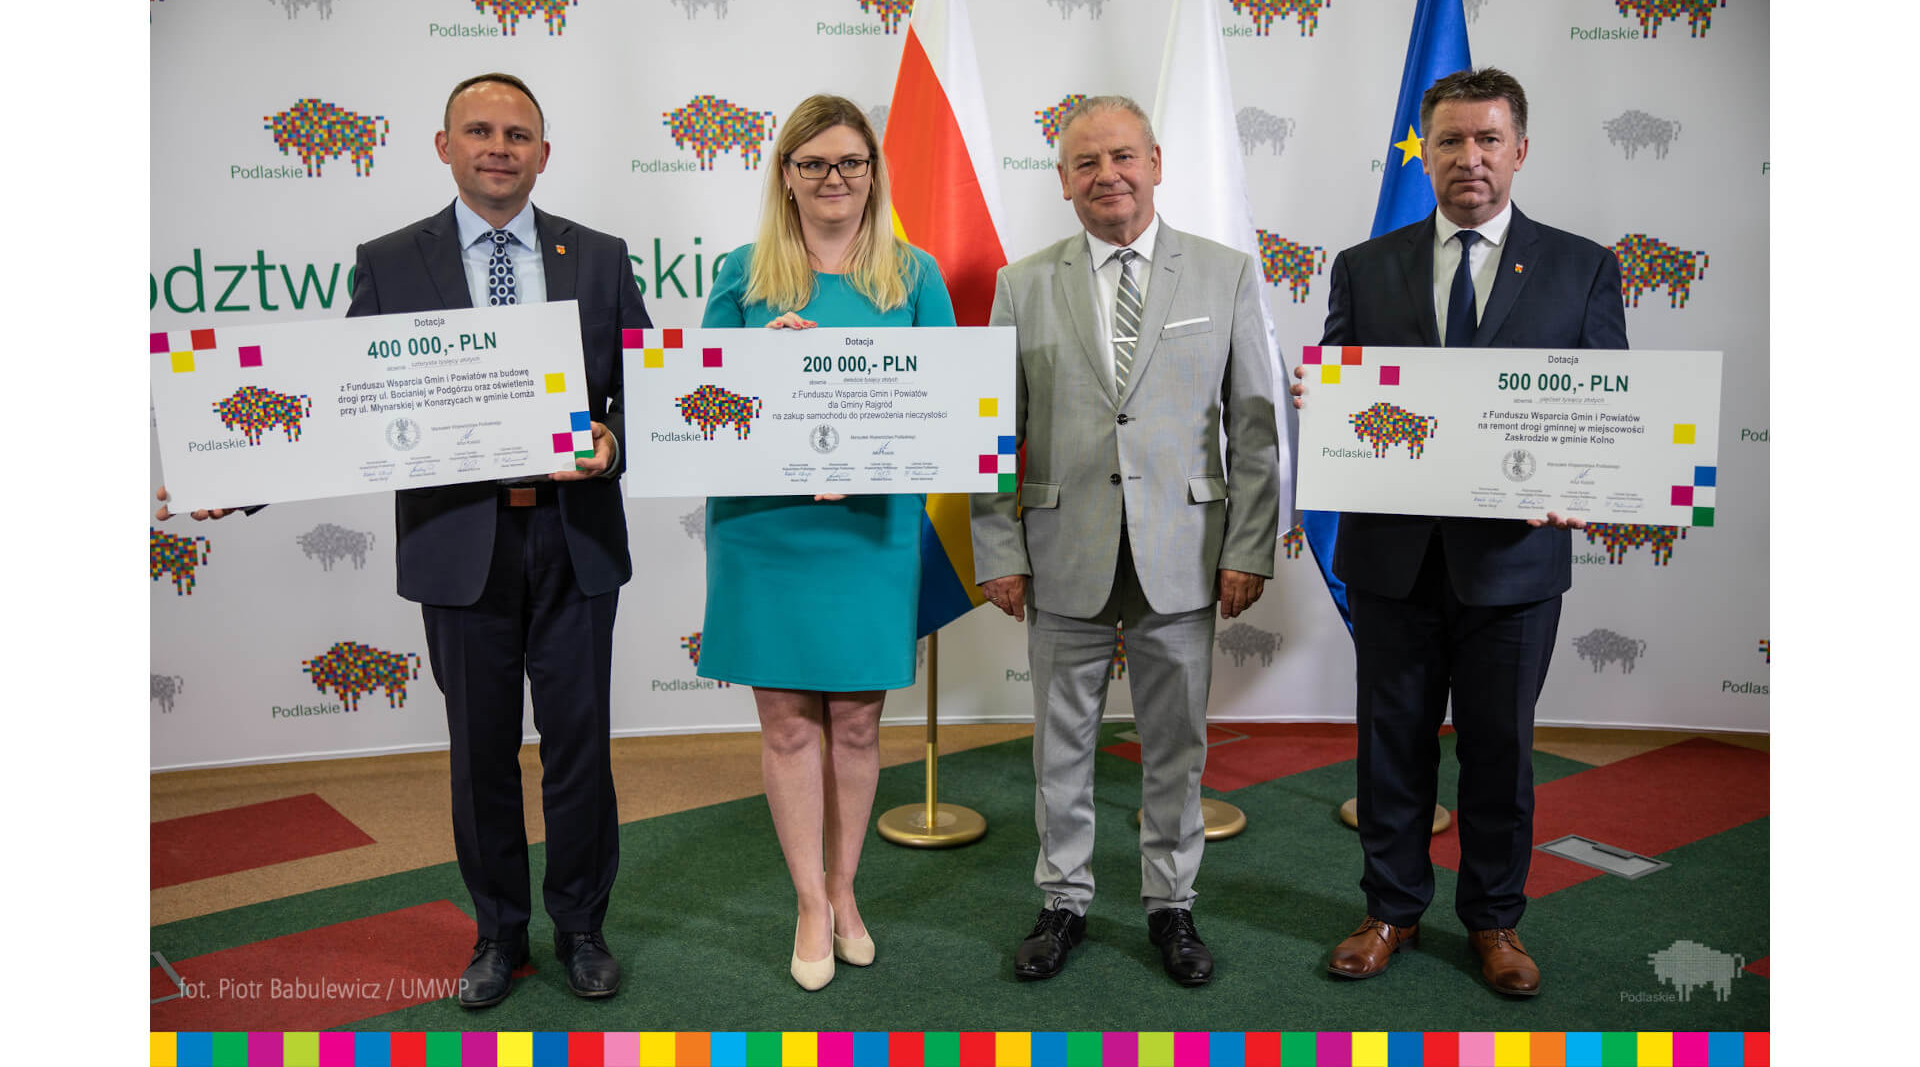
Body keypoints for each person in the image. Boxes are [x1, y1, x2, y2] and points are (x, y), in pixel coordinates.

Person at [160, 72, 649, 1009]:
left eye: (517, 135)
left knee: (581, 751)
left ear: (544, 154)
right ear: (444, 146)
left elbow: (644, 386)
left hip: (574, 540)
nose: (498, 148)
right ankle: (498, 934)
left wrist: (614, 441)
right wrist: (238, 476)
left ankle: (582, 928)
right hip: (458, 545)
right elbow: (341, 404)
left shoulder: (596, 255)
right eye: (480, 131)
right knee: (479, 755)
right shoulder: (388, 262)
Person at [1298, 68, 1627, 997]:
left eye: (1488, 140)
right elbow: (1345, 400)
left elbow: (1609, 405)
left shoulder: (1581, 267)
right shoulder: (1364, 265)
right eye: (1450, 140)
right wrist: (1325, 405)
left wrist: (1586, 479)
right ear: (1426, 154)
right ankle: (1390, 910)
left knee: (1500, 752)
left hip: (1516, 562)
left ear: (1520, 150)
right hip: (1392, 558)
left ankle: (1494, 922)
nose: (1469, 158)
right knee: (1390, 745)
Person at [970, 96, 1281, 987]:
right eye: (1086, 162)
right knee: (1059, 746)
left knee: (1176, 746)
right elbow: (992, 432)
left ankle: (1171, 905)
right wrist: (998, 549)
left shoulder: (1224, 274)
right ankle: (1063, 902)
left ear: (1156, 163)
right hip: (1061, 550)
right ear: (1063, 181)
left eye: (1122, 157)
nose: (1107, 175)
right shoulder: (1023, 284)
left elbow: (1255, 426)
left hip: (1185, 551)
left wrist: (1248, 547)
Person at [697, 94, 955, 992]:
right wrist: (757, 366)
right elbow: (703, 409)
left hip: (869, 525)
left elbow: (947, 413)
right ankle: (809, 900)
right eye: (813, 163)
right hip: (765, 526)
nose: (833, 178)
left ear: (874, 172)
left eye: (850, 161)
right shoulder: (741, 274)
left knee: (855, 720)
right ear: (787, 175)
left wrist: (875, 460)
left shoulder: (914, 276)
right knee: (785, 722)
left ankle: (846, 892)